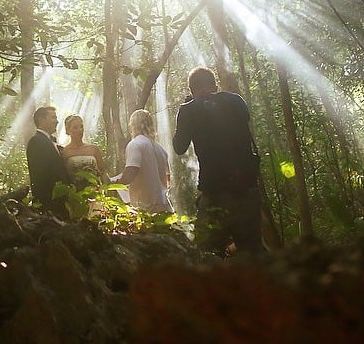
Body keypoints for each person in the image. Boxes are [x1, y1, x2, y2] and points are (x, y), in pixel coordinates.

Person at [172, 66, 266, 256]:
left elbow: (179, 147)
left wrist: (189, 107)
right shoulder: (236, 101)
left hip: (215, 193)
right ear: (214, 85)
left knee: (206, 254)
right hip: (247, 190)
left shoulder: (189, 110)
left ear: (191, 90)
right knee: (253, 252)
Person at [111, 109, 173, 213]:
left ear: (133, 125)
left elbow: (130, 174)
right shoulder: (161, 149)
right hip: (165, 207)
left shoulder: (135, 144)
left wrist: (113, 183)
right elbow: (167, 181)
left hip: (146, 208)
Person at [26, 105, 71, 217]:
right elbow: (38, 175)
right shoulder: (35, 142)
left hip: (61, 200)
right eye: (53, 117)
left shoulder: (52, 141)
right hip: (49, 201)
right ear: (41, 119)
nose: (56, 121)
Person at [60, 114, 105, 187]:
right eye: (75, 127)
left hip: (94, 190)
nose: (80, 130)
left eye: (81, 127)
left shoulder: (94, 149)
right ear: (68, 130)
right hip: (74, 192)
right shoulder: (65, 152)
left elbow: (102, 171)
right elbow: (63, 175)